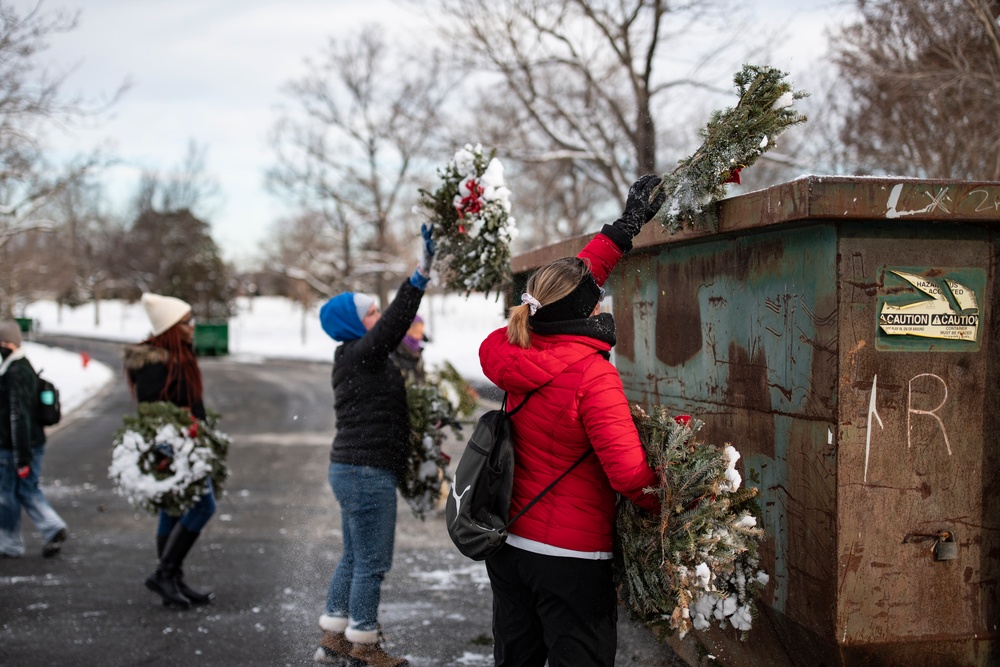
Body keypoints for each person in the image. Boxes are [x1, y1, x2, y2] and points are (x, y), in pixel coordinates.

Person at [477, 175, 667, 667]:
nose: (601, 295)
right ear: (588, 310)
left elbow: (574, 278)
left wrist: (627, 227)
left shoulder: (518, 344)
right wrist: (667, 503)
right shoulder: (590, 375)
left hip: (509, 543)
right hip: (570, 560)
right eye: (596, 294)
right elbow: (627, 474)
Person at [312, 224, 434, 667]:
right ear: (353, 323)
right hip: (365, 472)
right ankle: (364, 643)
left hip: (353, 469)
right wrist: (418, 278)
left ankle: (334, 636)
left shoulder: (359, 357)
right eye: (371, 313)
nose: (379, 318)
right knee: (372, 561)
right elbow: (395, 325)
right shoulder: (361, 352)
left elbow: (398, 339)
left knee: (354, 555)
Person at [123, 293, 215, 609]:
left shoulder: (180, 355)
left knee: (173, 510)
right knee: (203, 506)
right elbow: (154, 412)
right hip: (173, 448)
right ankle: (165, 573)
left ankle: (172, 579)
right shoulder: (156, 363)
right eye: (187, 321)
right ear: (173, 327)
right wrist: (173, 445)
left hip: (190, 443)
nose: (193, 326)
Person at [0, 321, 69, 559]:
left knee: (7, 494)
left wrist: (21, 457)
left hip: (15, 447)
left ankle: (10, 543)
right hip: (29, 442)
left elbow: (17, 415)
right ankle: (52, 527)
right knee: (27, 489)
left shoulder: (15, 371)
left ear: (8, 343)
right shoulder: (21, 367)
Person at [389, 315, 427, 384]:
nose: (420, 336)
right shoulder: (395, 354)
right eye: (416, 331)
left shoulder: (417, 352)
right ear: (406, 330)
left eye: (421, 331)